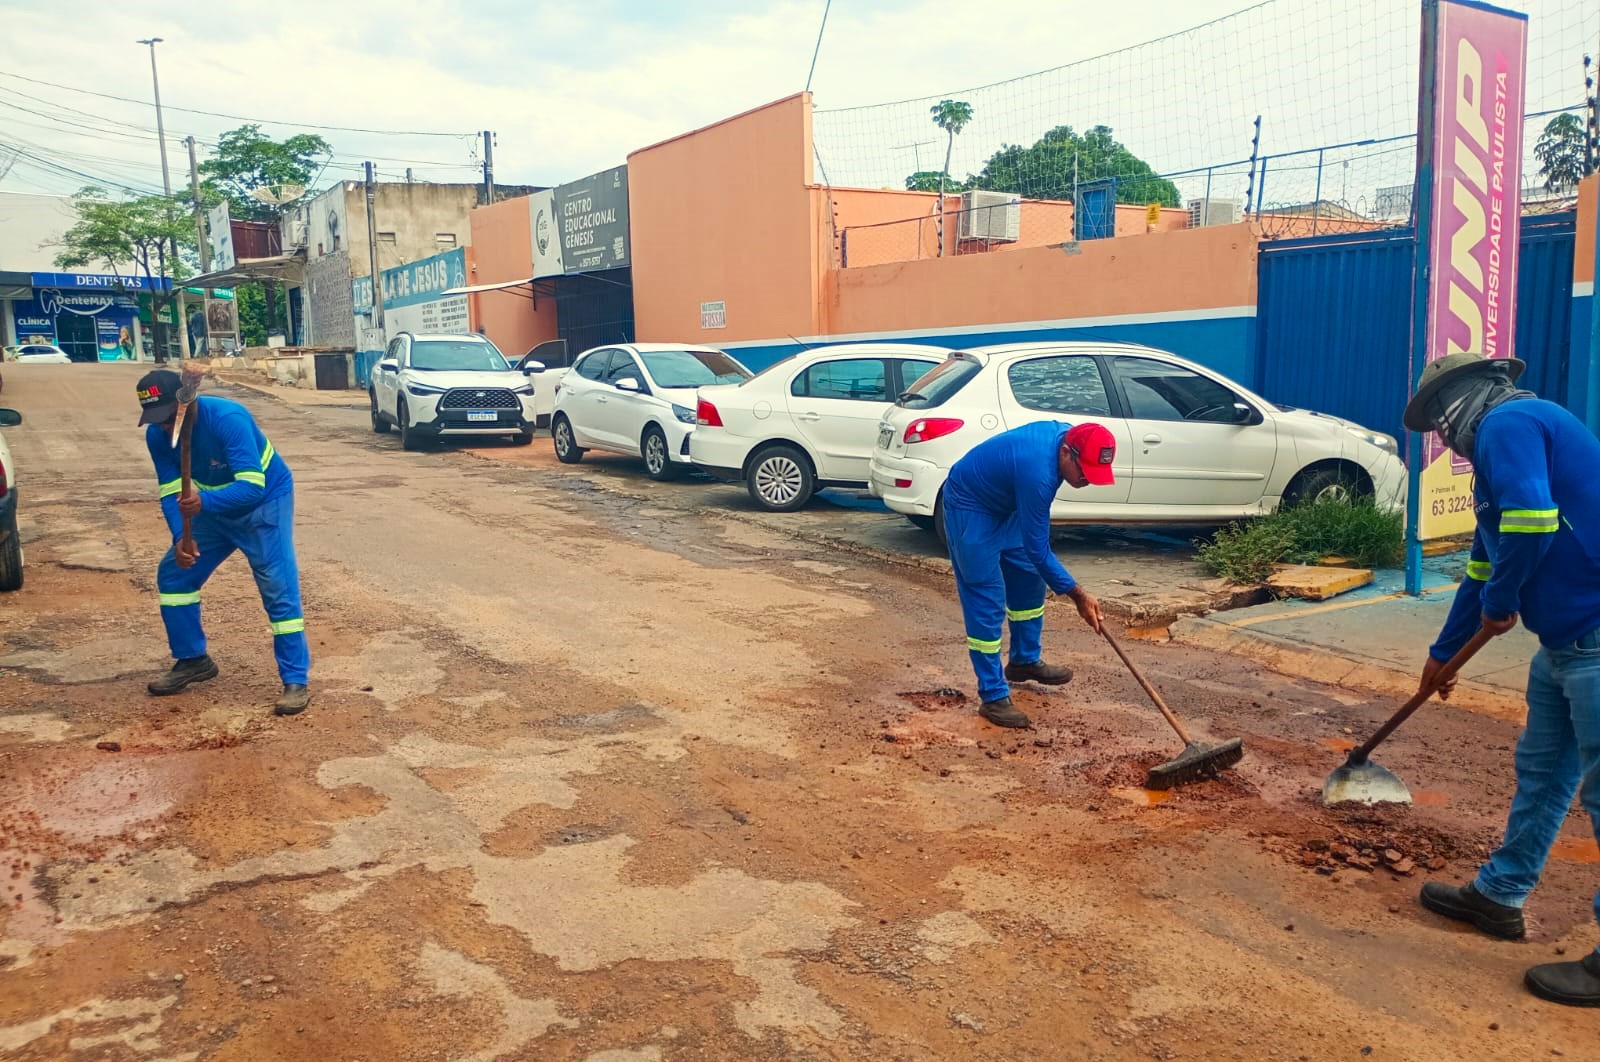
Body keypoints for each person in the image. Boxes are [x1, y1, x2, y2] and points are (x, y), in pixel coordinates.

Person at [1404, 352, 1600, 1008]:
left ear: (1458, 402)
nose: (1441, 436)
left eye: (1437, 420)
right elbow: (1485, 566)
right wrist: (1443, 653)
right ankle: (1499, 895)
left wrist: (1501, 601)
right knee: (1544, 776)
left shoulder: (1508, 424)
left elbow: (1534, 522)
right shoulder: (1500, 452)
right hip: (1565, 647)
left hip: (1597, 642)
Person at [136, 370, 311, 716]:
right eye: (157, 421)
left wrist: (205, 504)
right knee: (174, 575)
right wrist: (181, 538)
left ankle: (295, 680)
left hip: (263, 506)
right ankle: (193, 660)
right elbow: (172, 492)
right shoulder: (158, 437)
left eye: (170, 417)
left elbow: (252, 485)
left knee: (278, 588)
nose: (165, 427)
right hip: (211, 510)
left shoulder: (228, 419)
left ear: (187, 403)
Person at [943, 420, 1112, 728]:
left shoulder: (1074, 440)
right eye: (1085, 471)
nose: (1088, 479)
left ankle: (1023, 661)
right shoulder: (1039, 473)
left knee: (1029, 579)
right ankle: (993, 696)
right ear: (1065, 453)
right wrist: (1079, 596)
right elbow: (1039, 549)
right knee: (986, 598)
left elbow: (1035, 556)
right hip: (970, 504)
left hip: (1007, 505)